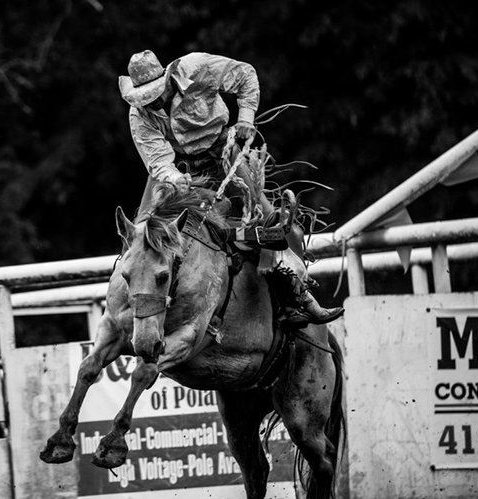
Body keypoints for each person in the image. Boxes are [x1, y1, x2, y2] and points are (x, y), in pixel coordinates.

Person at [119, 50, 343, 326]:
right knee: (140, 233)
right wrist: (176, 178)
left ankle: (298, 298)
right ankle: (124, 312)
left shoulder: (196, 68)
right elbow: (157, 161)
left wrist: (246, 119)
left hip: (223, 156)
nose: (151, 103)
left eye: (154, 95)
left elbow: (245, 75)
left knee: (273, 225)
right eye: (144, 99)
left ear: (166, 79)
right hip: (176, 172)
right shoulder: (139, 115)